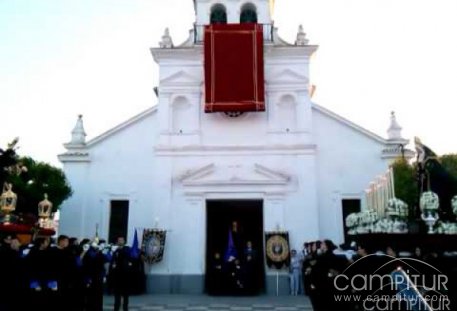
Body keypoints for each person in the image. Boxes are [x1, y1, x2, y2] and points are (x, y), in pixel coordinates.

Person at [109, 236, 133, 311]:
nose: (120, 241)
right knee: (117, 294)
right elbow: (112, 260)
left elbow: (128, 256)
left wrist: (118, 250)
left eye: (122, 240)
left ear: (124, 241)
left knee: (125, 294)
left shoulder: (127, 249)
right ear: (117, 241)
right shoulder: (115, 250)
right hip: (117, 275)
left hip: (125, 275)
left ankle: (125, 308)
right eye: (119, 240)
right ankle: (116, 308)